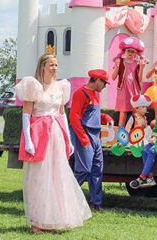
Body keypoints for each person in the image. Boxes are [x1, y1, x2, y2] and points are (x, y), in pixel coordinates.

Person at [15, 54, 91, 233]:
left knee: (57, 175)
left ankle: (52, 219)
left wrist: (69, 139)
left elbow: (62, 113)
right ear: (42, 66)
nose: (54, 68)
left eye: (56, 65)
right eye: (51, 65)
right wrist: (28, 139)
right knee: (39, 176)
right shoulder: (33, 85)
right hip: (39, 132)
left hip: (56, 132)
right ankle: (36, 221)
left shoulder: (61, 86)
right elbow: (27, 114)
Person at [69, 69, 110, 211]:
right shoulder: (81, 93)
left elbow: (93, 114)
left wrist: (106, 118)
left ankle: (96, 204)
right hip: (85, 136)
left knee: (97, 170)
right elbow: (74, 118)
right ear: (98, 81)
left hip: (95, 138)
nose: (105, 86)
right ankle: (66, 199)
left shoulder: (95, 95)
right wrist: (84, 139)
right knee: (83, 169)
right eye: (105, 83)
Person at [130, 91, 157, 189]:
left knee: (153, 150)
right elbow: (155, 129)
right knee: (144, 150)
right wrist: (154, 137)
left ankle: (142, 177)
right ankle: (150, 177)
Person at [111, 37, 147, 128]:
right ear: (124, 51)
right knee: (123, 115)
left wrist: (142, 68)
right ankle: (121, 138)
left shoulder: (138, 63)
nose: (130, 53)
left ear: (136, 53)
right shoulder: (121, 61)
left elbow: (139, 80)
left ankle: (136, 136)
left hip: (134, 90)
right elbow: (113, 77)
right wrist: (117, 67)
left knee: (137, 114)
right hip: (123, 90)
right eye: (128, 51)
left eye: (133, 51)